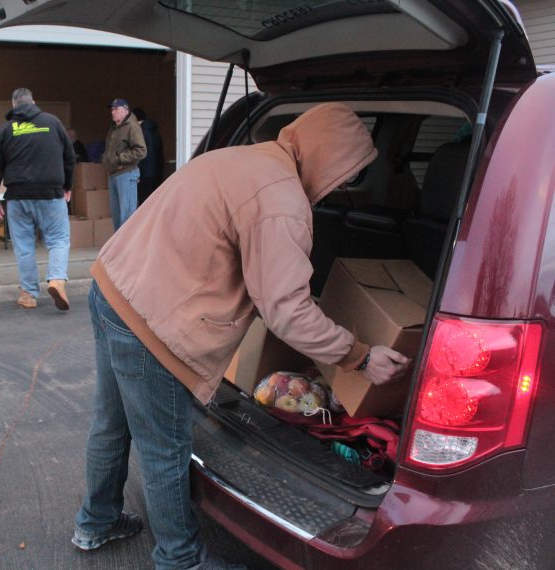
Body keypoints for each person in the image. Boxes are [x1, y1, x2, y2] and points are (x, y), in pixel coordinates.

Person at [72, 103, 411, 569]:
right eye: (347, 173)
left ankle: (97, 520)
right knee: (165, 450)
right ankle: (180, 560)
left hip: (113, 287)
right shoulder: (282, 200)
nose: (341, 187)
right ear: (329, 158)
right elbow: (287, 312)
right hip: (153, 325)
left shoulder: (242, 157)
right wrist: (359, 356)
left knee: (111, 422)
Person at [0, 88, 76, 311]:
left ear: (13, 104)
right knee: (58, 239)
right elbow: (70, 158)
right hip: (50, 194)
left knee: (24, 246)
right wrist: (67, 186)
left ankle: (28, 294)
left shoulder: (6, 130)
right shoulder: (53, 123)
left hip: (18, 197)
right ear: (33, 102)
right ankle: (56, 279)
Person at [103, 98, 146, 230]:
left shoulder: (132, 126)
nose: (113, 112)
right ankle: (118, 247)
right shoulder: (114, 128)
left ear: (125, 110)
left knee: (127, 216)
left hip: (126, 173)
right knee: (116, 215)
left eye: (116, 109)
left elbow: (141, 151)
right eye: (112, 110)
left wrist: (119, 158)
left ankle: (128, 248)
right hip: (113, 174)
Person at [131, 107, 164, 205]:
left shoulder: (140, 132)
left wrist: (138, 174)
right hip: (156, 173)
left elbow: (141, 156)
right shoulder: (155, 132)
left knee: (143, 203)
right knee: (153, 201)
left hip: (145, 174)